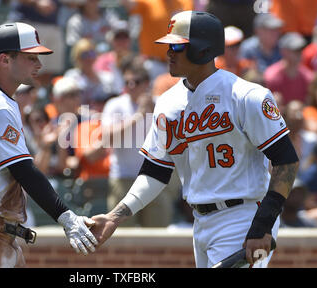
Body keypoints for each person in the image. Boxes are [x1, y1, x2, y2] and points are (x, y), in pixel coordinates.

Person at [90, 11, 299, 268]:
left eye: (177, 46)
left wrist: (263, 224)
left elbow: (286, 162)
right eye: (168, 46)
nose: (169, 53)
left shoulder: (247, 95)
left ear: (203, 49)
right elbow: (155, 171)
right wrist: (115, 217)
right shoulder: (167, 102)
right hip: (200, 221)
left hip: (244, 216)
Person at [0, 22, 98, 268]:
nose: (39, 65)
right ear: (5, 59)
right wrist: (65, 217)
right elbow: (23, 170)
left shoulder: (1, 100)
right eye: (30, 57)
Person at [100, 61, 173, 227]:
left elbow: (174, 139)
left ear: (147, 83)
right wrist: (137, 117)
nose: (131, 86)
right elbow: (107, 139)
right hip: (123, 178)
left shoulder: (161, 103)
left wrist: (155, 112)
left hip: (155, 180)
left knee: (157, 237)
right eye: (127, 82)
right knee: (121, 238)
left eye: (136, 82)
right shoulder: (115, 104)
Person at [263, 32, 314, 105]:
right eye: (295, 50)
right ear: (284, 51)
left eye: (300, 50)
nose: (299, 53)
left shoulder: (308, 77)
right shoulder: (271, 76)